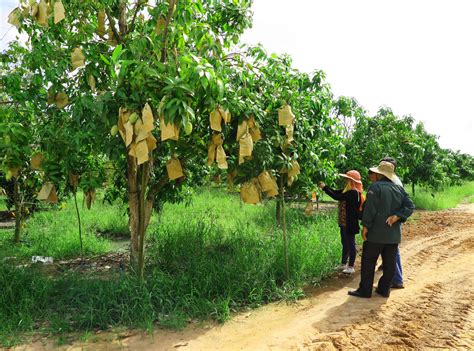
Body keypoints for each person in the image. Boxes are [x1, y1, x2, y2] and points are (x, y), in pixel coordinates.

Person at [349, 161, 414, 298]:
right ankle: (384, 290)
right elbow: (410, 206)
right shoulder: (399, 188)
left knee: (368, 261)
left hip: (376, 234)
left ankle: (365, 290)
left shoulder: (375, 187)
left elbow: (370, 210)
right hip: (393, 235)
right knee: (389, 264)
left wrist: (365, 226)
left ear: (379, 174)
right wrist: (397, 216)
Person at [319, 170, 364, 274]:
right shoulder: (347, 190)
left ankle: (351, 266)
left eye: (348, 179)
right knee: (345, 242)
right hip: (343, 222)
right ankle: (343, 263)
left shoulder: (353, 192)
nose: (346, 181)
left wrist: (324, 188)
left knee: (351, 243)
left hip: (350, 223)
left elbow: (336, 196)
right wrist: (325, 187)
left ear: (352, 181)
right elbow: (335, 192)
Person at [376, 156, 404, 289]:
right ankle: (394, 276)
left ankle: (397, 279)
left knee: (392, 251)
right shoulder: (394, 180)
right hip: (392, 221)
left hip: (390, 221)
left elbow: (405, 204)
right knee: (392, 250)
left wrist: (396, 216)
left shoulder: (394, 183)